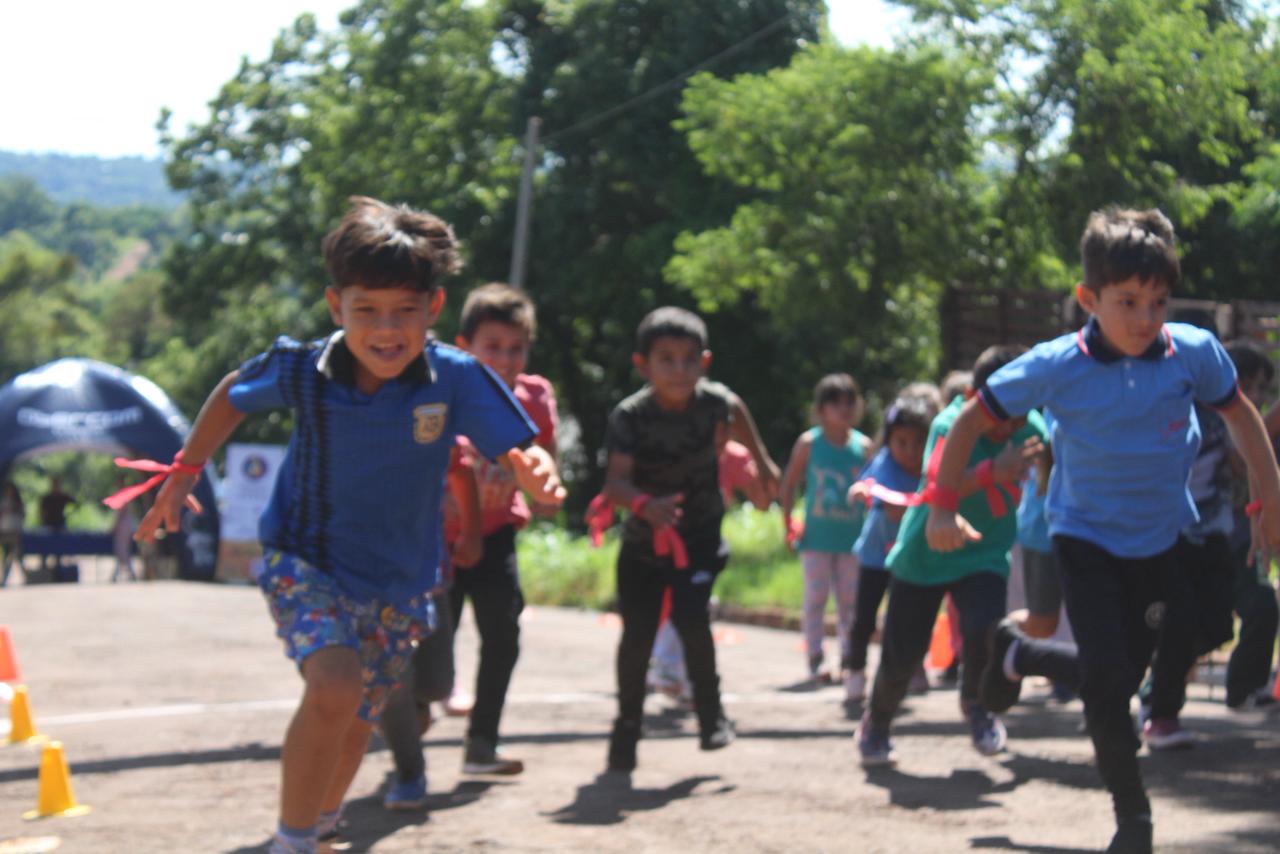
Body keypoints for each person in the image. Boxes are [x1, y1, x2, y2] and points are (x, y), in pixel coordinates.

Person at [130, 196, 564, 854]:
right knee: (336, 685)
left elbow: (519, 446)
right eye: (367, 311)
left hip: (400, 580)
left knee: (360, 719)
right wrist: (185, 470)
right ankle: (292, 840)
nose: (386, 330)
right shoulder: (305, 370)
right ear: (337, 306)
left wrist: (534, 468)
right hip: (305, 559)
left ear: (433, 308)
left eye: (404, 311)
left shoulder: (455, 377)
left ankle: (323, 820)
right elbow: (232, 392)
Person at [927, 208, 1280, 854]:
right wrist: (942, 507)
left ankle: (1019, 653)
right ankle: (1133, 819)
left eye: (1158, 302)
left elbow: (1243, 418)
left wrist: (1269, 502)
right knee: (1109, 686)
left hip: (1161, 539)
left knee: (1126, 669)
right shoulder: (1057, 364)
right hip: (1084, 537)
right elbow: (970, 420)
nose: (1146, 319)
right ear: (1089, 299)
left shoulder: (1191, 354)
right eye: (1128, 302)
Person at [602, 306, 780, 772]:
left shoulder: (714, 402)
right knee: (637, 637)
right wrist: (645, 504)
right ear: (642, 364)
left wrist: (763, 462)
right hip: (643, 543)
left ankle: (711, 714)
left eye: (689, 359)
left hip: (699, 535)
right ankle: (626, 727)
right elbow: (615, 484)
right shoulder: (630, 416)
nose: (679, 370)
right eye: (666, 359)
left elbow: (736, 408)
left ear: (705, 362)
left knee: (691, 619)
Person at [855, 346, 1046, 765]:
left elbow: (1047, 450)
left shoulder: (1026, 425)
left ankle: (977, 707)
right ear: (975, 398)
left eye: (1019, 416)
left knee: (984, 630)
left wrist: (1047, 481)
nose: (1011, 427)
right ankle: (878, 720)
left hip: (985, 552)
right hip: (926, 556)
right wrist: (993, 472)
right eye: (1003, 416)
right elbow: (938, 483)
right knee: (903, 655)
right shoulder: (949, 424)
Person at [447, 282, 563, 776]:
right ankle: (416, 718)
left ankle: (482, 743)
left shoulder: (534, 397)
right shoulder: (447, 391)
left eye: (516, 348)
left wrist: (546, 490)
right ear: (464, 347)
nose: (505, 358)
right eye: (492, 346)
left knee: (503, 636)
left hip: (497, 534)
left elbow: (546, 455)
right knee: (429, 644)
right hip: (438, 538)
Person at [379, 451, 482, 811]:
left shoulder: (432, 425)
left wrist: (471, 531)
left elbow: (462, 470)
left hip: (429, 574)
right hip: (374, 576)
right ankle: (410, 774)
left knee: (436, 685)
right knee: (395, 679)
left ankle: (408, 714)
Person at [843, 391, 938, 702]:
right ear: (889, 440)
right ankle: (855, 669)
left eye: (918, 442)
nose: (910, 451)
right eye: (902, 442)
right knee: (864, 618)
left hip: (911, 558)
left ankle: (913, 666)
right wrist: (860, 490)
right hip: (876, 557)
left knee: (911, 618)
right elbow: (888, 504)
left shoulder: (933, 468)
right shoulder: (884, 463)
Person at [780, 374, 872, 682]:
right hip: (816, 539)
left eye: (849, 403)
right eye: (836, 403)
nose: (844, 409)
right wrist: (788, 522)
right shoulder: (810, 444)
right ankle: (815, 655)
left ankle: (849, 656)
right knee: (816, 598)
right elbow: (790, 484)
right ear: (821, 409)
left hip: (852, 541)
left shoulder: (863, 447)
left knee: (850, 602)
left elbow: (875, 492)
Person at [1221, 339, 1279, 711]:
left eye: (1261, 388)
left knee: (1262, 608)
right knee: (1202, 621)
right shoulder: (1221, 424)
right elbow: (1245, 462)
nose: (1255, 396)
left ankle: (1246, 686)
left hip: (1248, 540)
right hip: (1218, 538)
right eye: (1248, 386)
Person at [39, 476, 74, 571]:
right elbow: (41, 512)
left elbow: (75, 502)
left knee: (60, 547)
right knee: (45, 546)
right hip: (48, 525)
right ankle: (44, 568)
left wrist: (69, 514)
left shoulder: (63, 497)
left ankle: (59, 568)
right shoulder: (47, 498)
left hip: (60, 525)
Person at [0, 481, 24, 586]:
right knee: (6, 555)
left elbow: (23, 514)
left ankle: (26, 576)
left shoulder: (18, 503)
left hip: (14, 531)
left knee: (16, 555)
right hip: (4, 531)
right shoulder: (4, 501)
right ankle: (4, 578)